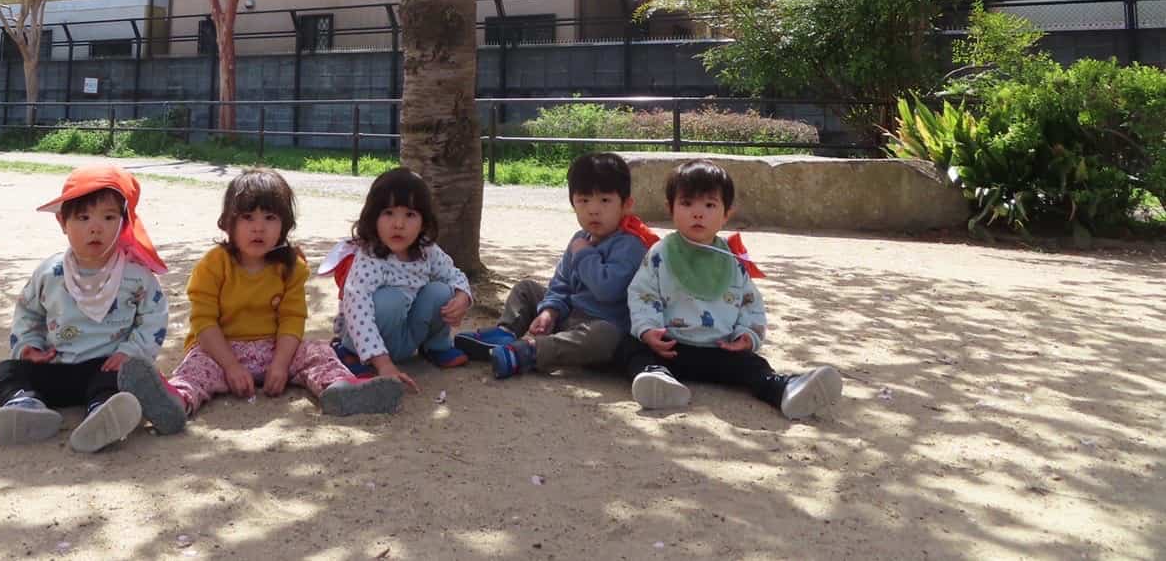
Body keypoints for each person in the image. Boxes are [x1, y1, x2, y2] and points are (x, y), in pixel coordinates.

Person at [137, 169, 404, 423]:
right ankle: (175, 403)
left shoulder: (291, 267)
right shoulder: (213, 264)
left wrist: (280, 364)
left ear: (284, 225)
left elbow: (292, 319)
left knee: (319, 353)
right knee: (195, 369)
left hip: (275, 349)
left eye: (270, 218)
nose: (258, 228)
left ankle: (340, 390)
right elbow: (203, 323)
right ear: (228, 222)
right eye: (247, 217)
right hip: (220, 351)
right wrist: (230, 366)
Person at [619, 160, 843, 419]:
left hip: (720, 351)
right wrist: (648, 330)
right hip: (670, 347)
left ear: (727, 214)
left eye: (710, 205)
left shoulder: (734, 259)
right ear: (671, 208)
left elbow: (750, 302)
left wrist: (747, 335)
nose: (698, 213)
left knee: (752, 366)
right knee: (629, 347)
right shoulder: (660, 253)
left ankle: (784, 390)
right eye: (687, 203)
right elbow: (642, 293)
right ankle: (657, 380)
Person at [0, 163, 169, 452]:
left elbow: (153, 318)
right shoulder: (49, 273)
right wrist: (29, 348)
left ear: (123, 223)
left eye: (109, 217)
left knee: (122, 379)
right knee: (4, 371)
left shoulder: (137, 276)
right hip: (56, 366)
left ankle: (102, 412)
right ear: (62, 222)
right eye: (83, 217)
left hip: (106, 366)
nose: (95, 227)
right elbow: (28, 312)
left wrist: (130, 352)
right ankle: (25, 406)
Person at [455, 152, 654, 378]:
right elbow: (561, 283)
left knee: (605, 336)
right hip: (568, 317)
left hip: (599, 327)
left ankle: (528, 352)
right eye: (584, 200)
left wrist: (585, 255)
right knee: (527, 289)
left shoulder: (630, 244)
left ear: (626, 205)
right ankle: (506, 333)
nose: (593, 209)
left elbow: (607, 290)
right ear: (573, 204)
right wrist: (550, 311)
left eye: (605, 200)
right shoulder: (580, 239)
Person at [333, 167, 473, 390]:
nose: (398, 224)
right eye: (388, 213)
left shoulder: (427, 250)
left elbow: (454, 274)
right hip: (367, 337)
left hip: (407, 335)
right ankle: (350, 352)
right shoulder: (370, 257)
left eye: (410, 215)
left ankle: (436, 347)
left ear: (424, 221)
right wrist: (384, 364)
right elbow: (357, 308)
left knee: (441, 291)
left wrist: (462, 296)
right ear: (373, 217)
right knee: (391, 300)